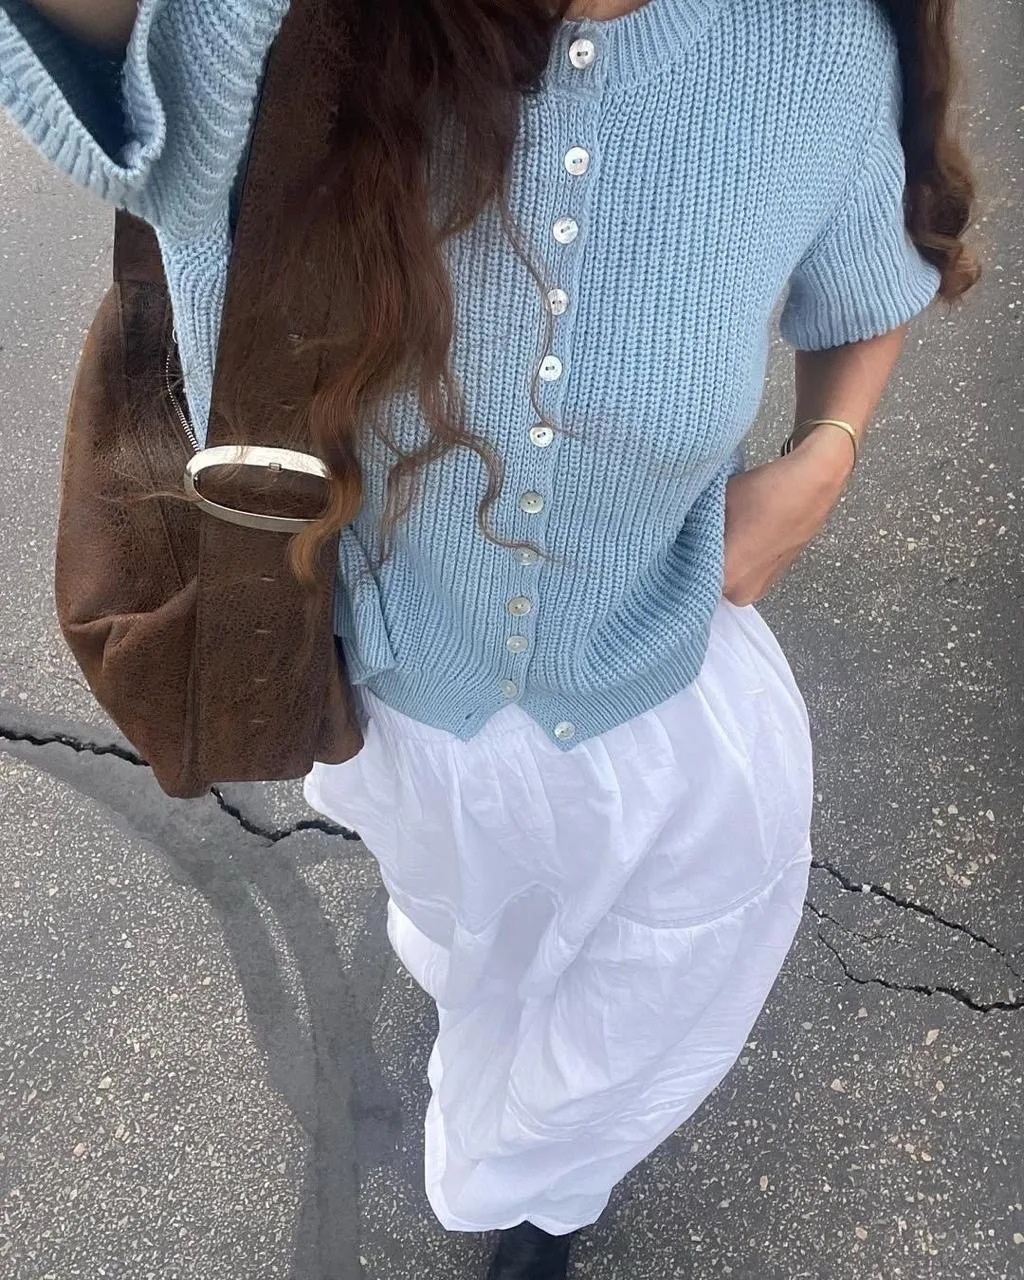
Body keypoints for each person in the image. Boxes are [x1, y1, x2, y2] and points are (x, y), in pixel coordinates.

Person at [1, 0, 977, 1275]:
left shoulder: (813, 45)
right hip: (396, 703)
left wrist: (825, 457)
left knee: (659, 995)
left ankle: (538, 1188)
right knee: (473, 940)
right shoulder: (276, 40)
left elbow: (867, 285)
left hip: (666, 694)